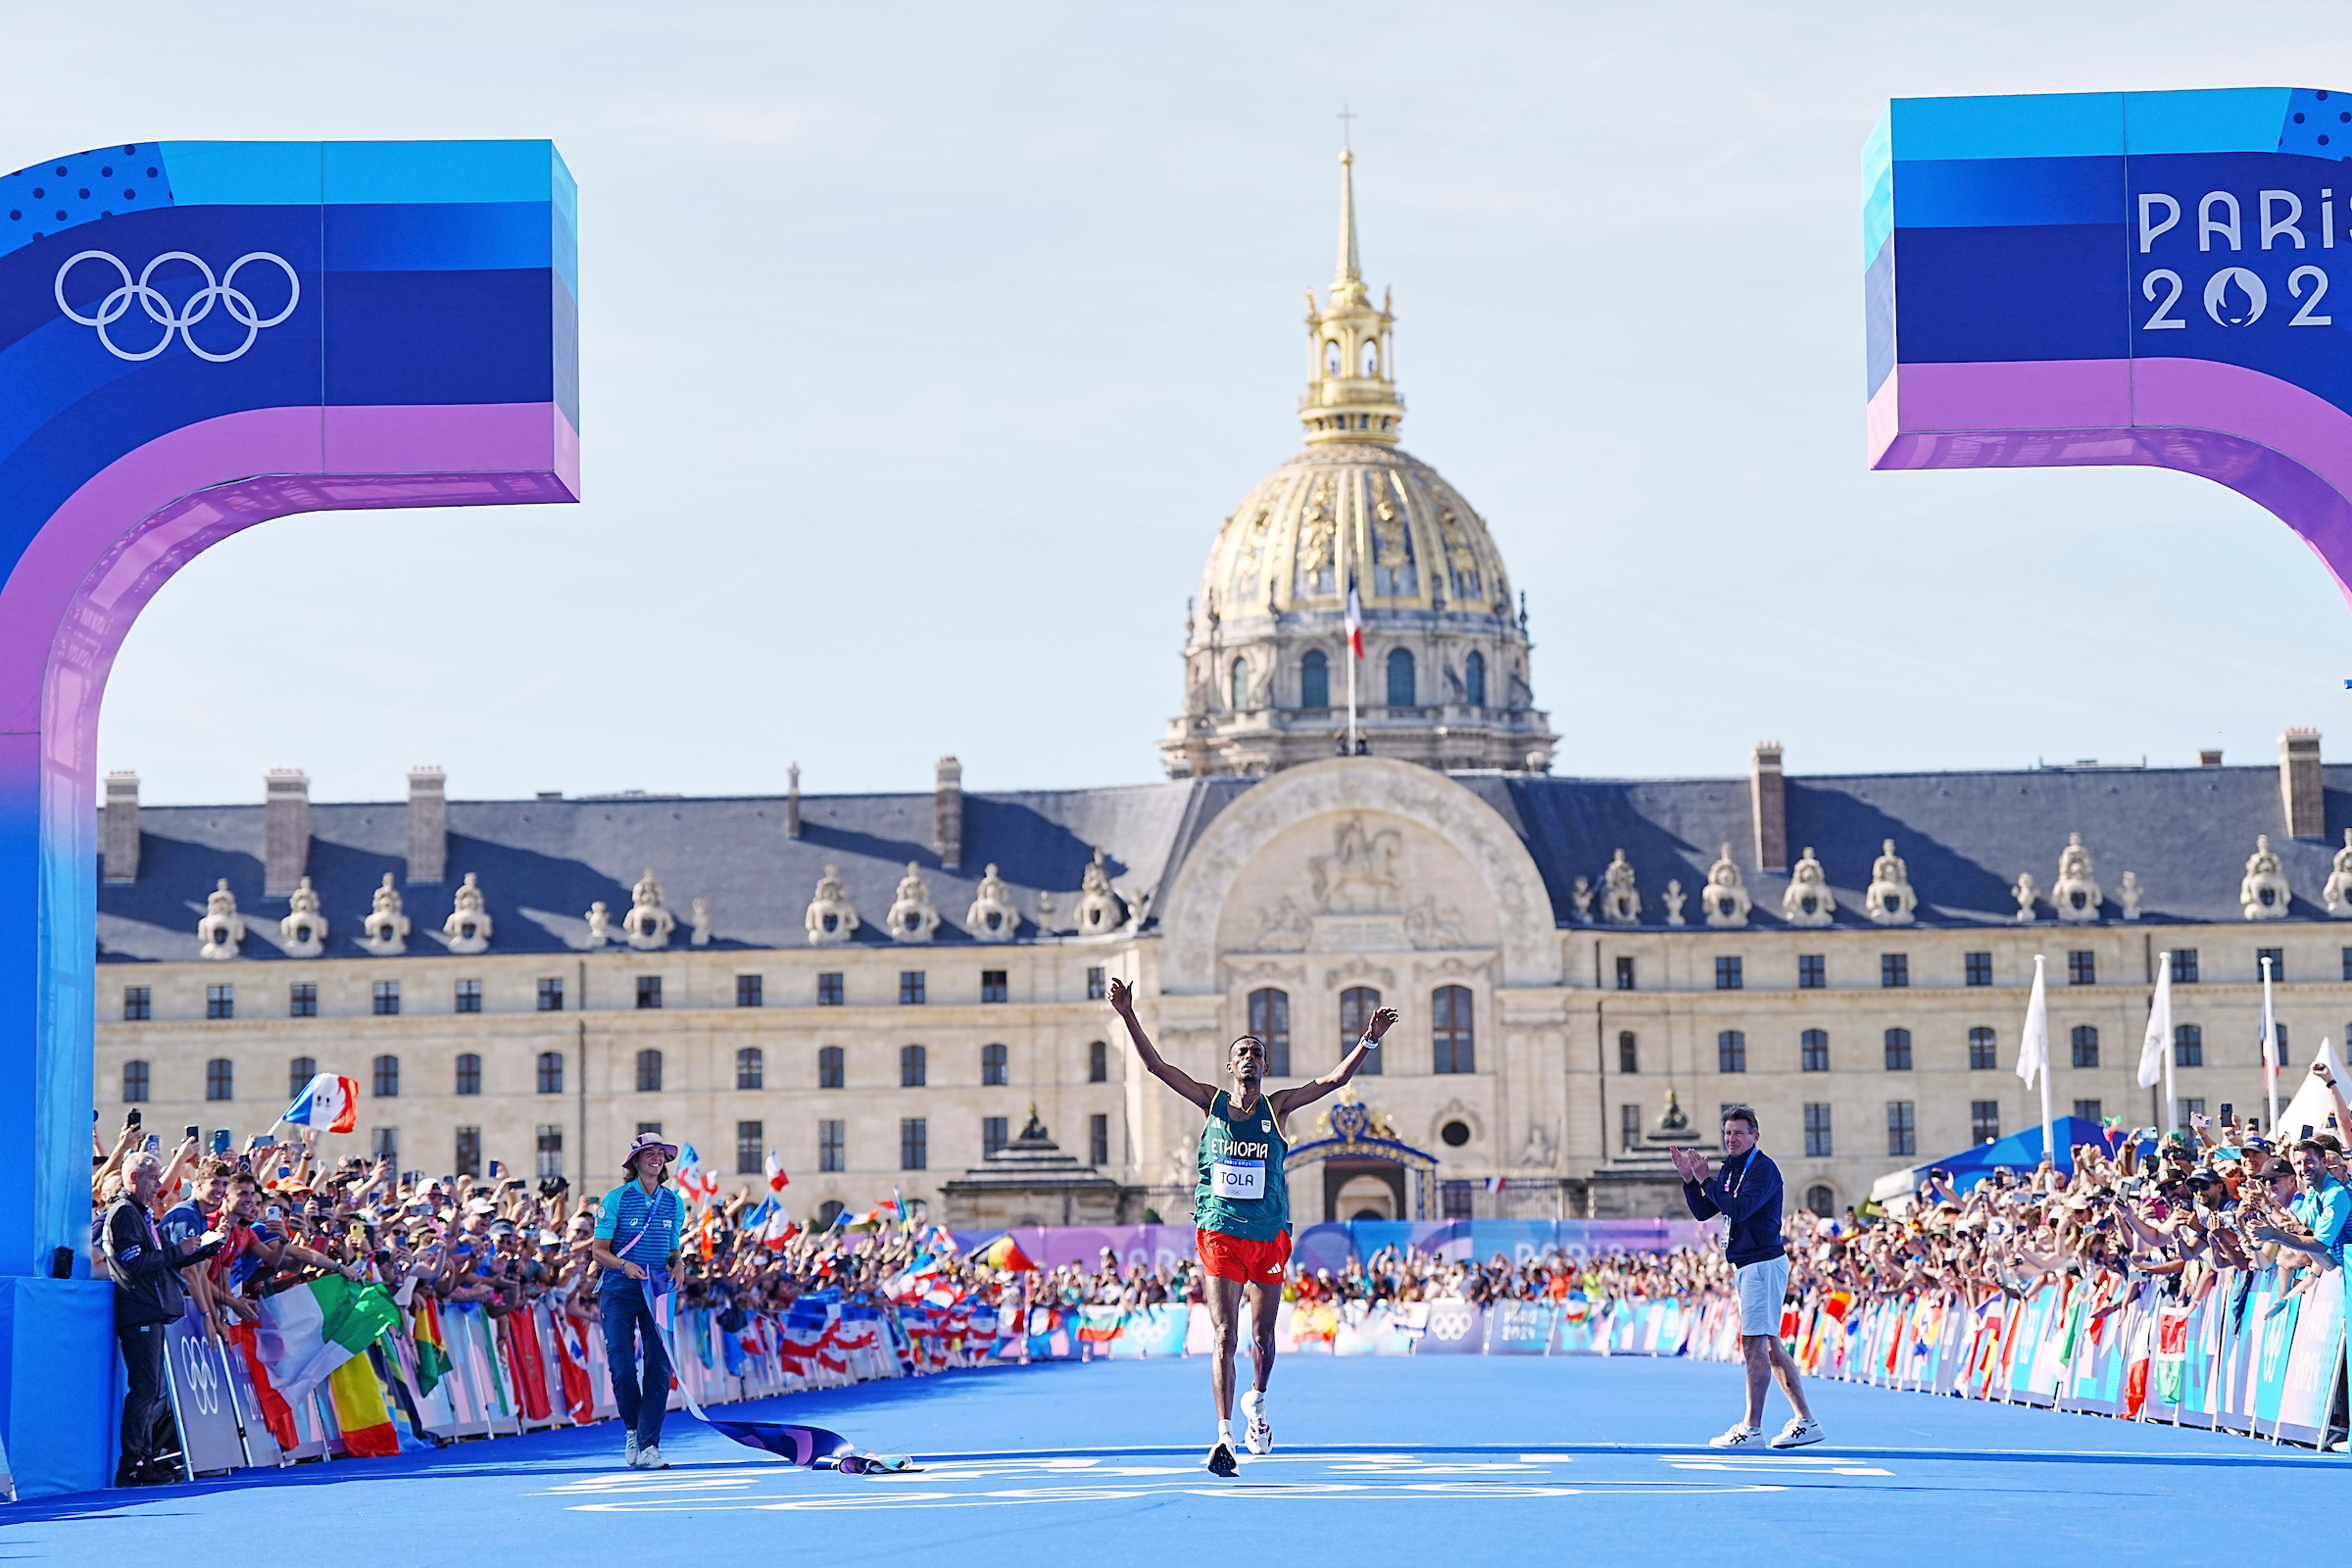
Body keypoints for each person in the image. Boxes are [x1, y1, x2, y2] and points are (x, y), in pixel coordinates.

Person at [1108, 975, 1396, 1477]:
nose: (1248, 1057)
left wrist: (1368, 1039)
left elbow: (1332, 1083)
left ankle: (1256, 1406)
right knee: (1225, 1333)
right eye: (1241, 1051)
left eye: (1256, 1053)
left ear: (1264, 1066)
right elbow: (1156, 1067)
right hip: (1219, 1230)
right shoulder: (1210, 1102)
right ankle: (1222, 1438)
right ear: (1230, 1065)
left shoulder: (1276, 1106)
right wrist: (1128, 1014)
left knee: (1263, 1336)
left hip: (1268, 1235)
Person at [1673, 1106, 1821, 1449]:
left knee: (1755, 1344)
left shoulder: (1763, 1170)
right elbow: (1704, 1210)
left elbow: (1738, 1209)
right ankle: (1805, 1420)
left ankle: (1752, 1428)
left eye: (1739, 1133)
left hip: (1762, 1263)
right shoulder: (1731, 1169)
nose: (1731, 1139)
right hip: (1748, 1264)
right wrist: (1690, 1181)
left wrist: (1706, 1180)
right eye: (1727, 1133)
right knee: (1769, 1345)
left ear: (1755, 1135)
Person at [99, 1150, 222, 1487]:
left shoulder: (142, 1213)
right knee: (143, 1390)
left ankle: (144, 1460)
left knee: (149, 1390)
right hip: (139, 1308)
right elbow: (135, 1263)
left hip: (149, 1309)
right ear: (133, 1178)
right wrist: (178, 1252)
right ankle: (133, 1466)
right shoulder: (124, 1212)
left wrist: (202, 1249)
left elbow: (162, 1258)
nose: (159, 1185)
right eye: (153, 1178)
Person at [591, 1132, 687, 1470]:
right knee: (621, 1367)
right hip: (619, 1288)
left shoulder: (674, 1202)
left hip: (658, 1289)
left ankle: (649, 1445)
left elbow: (674, 1248)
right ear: (635, 1161)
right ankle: (633, 1428)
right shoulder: (616, 1199)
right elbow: (598, 1251)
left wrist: (679, 1264)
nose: (656, 1157)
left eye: (661, 1153)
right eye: (649, 1153)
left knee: (660, 1366)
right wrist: (624, 1265)